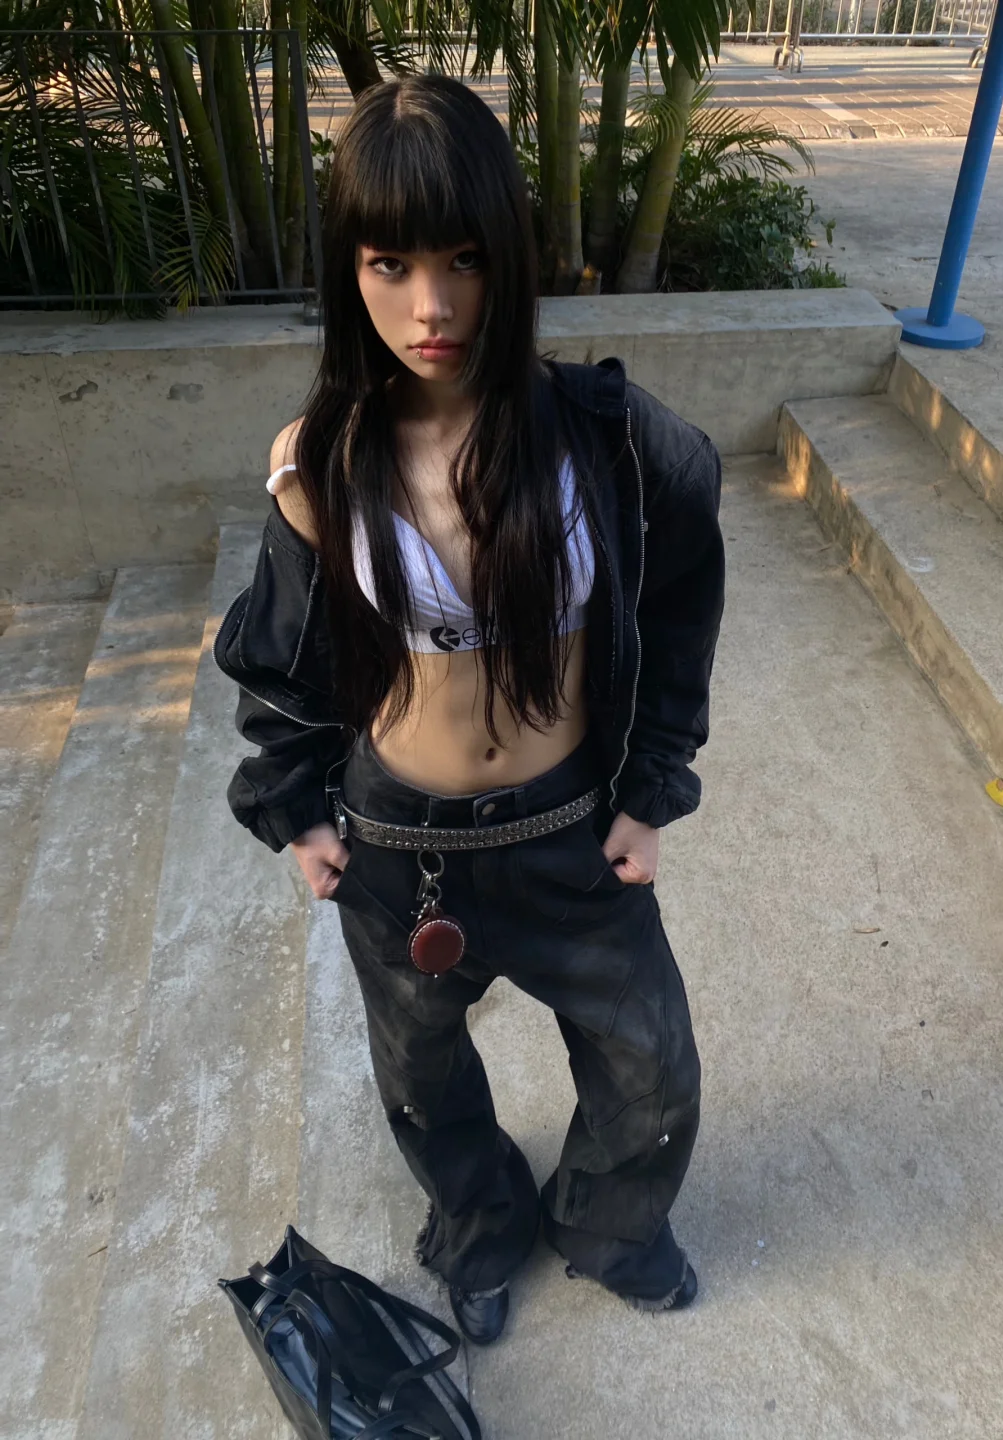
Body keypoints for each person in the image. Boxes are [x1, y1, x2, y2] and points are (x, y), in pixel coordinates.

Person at [215, 74, 725, 1345]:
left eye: (464, 260)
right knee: (423, 1078)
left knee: (651, 1060)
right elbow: (286, 658)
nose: (431, 307)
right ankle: (482, 1229)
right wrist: (296, 812)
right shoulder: (321, 462)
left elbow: (681, 609)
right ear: (350, 270)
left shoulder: (608, 440)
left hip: (569, 832)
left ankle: (609, 1226)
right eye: (390, 265)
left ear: (511, 259)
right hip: (400, 847)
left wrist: (651, 792)